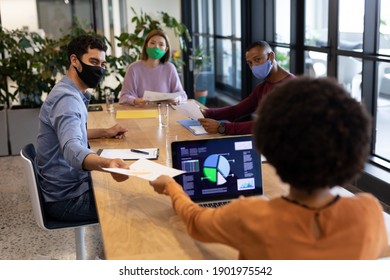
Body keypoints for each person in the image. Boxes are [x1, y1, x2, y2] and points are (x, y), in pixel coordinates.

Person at [149, 76, 388, 259]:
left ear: (269, 147)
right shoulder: (369, 212)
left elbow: (195, 221)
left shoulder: (251, 215)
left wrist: (171, 187)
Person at [37, 35, 129, 222]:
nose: (99, 69)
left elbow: (70, 134)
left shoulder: (70, 91)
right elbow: (72, 148)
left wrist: (106, 132)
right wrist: (106, 164)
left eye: (102, 64)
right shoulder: (67, 99)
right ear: (74, 61)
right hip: (67, 199)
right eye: (93, 62)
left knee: (130, 192)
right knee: (134, 205)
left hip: (66, 188)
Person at [198, 41, 294, 135]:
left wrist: (222, 127)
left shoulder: (292, 87)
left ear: (271, 56)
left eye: (257, 59)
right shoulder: (262, 87)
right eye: (250, 63)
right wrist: (207, 113)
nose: (254, 66)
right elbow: (237, 110)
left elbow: (268, 125)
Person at [119, 29, 187, 106]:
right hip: (140, 113)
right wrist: (136, 100)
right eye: (152, 43)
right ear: (146, 46)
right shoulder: (133, 68)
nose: (156, 47)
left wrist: (177, 99)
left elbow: (183, 96)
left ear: (166, 49)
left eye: (161, 44)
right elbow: (124, 97)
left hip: (165, 113)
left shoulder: (170, 68)